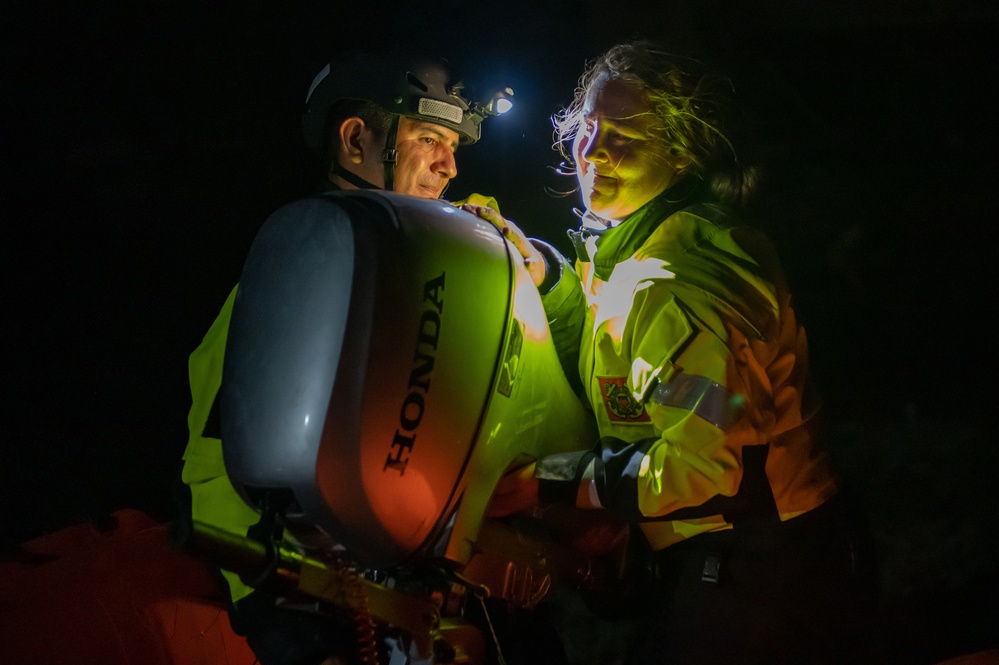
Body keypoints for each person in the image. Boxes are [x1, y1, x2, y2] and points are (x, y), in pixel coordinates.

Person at [467, 41, 880, 664]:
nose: (595, 151)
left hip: (765, 570)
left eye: (625, 136)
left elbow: (711, 466)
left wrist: (550, 485)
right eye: (590, 127)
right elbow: (624, 367)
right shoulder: (659, 239)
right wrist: (550, 281)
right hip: (775, 551)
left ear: (680, 152)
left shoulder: (670, 286)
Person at [176, 50, 505, 665]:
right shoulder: (299, 270)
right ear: (356, 140)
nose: (450, 165)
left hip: (407, 588)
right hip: (319, 604)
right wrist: (288, 605)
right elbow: (226, 463)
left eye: (455, 144)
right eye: (430, 137)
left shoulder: (418, 263)